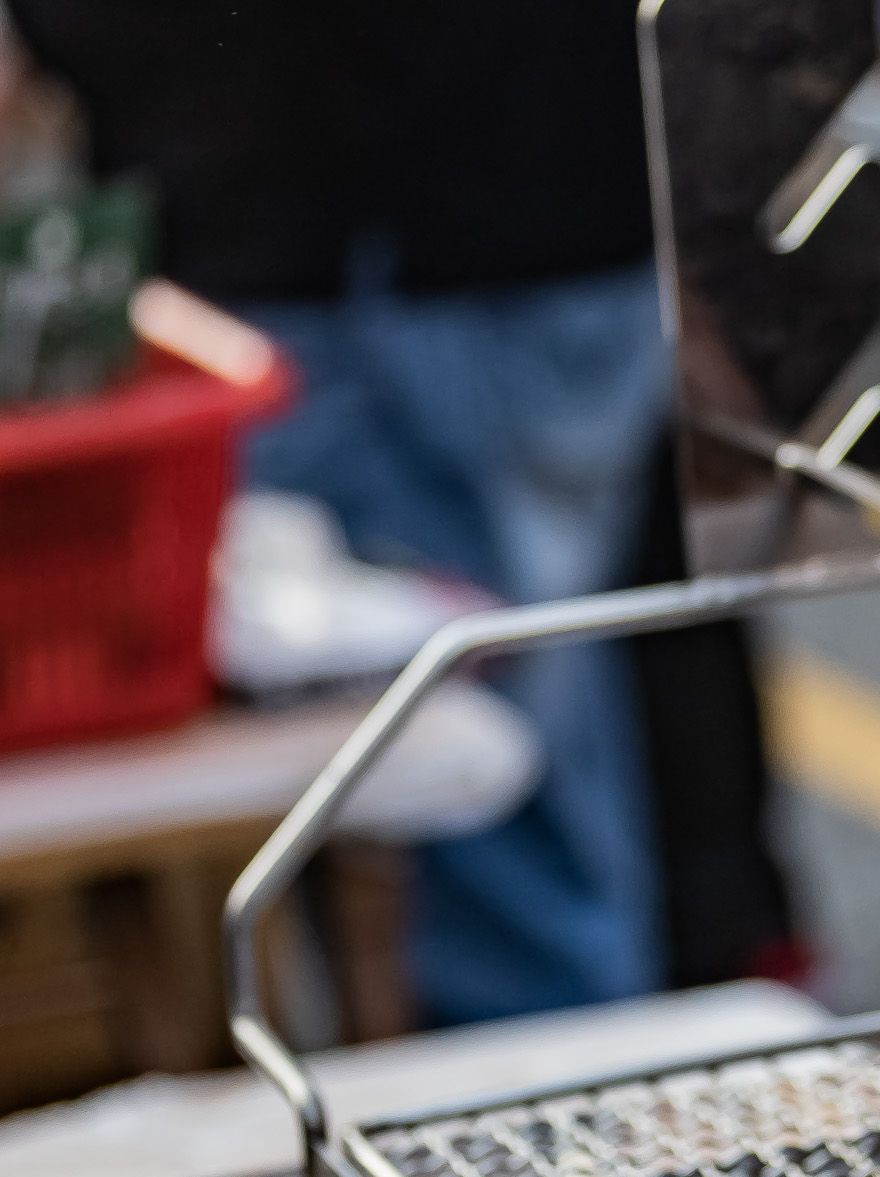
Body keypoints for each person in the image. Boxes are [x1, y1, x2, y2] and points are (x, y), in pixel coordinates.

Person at [10, 0, 802, 1023]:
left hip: (405, 239)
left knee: (482, 769)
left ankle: (539, 1116)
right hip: (421, 229)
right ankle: (538, 1071)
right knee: (486, 738)